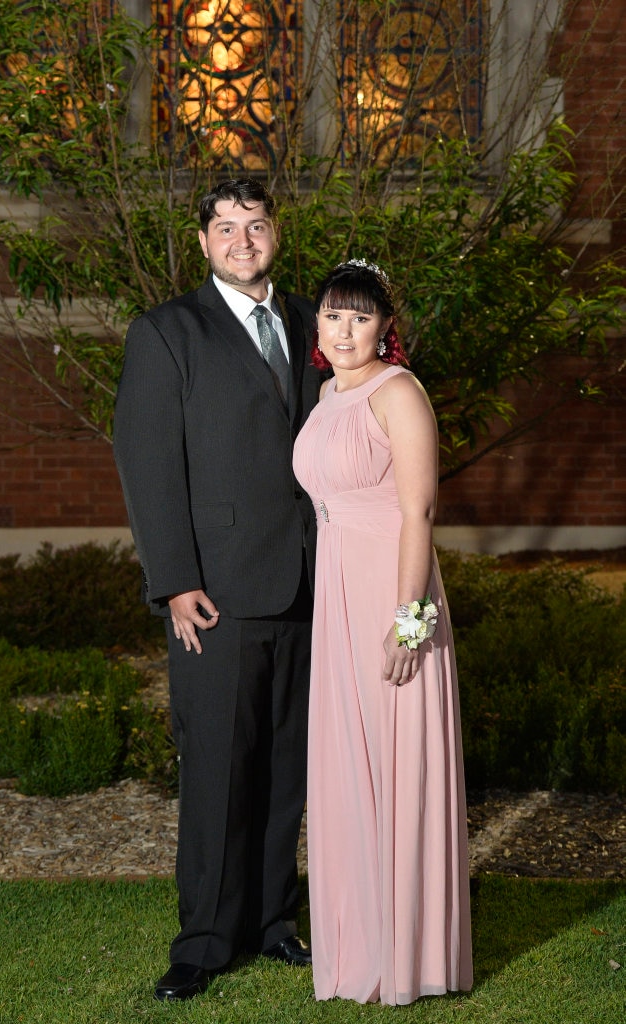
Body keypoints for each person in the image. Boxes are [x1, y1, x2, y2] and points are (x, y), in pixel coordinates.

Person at [113, 178, 321, 1001]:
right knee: (217, 774)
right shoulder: (168, 333)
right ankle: (202, 940)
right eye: (226, 228)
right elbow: (148, 463)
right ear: (202, 242)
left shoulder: (313, 323)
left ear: (276, 234)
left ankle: (273, 922)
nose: (243, 240)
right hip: (217, 594)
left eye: (256, 225)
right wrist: (173, 583)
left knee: (285, 770)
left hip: (312, 586)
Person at [292, 260, 473, 1005]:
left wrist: (410, 624)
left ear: (385, 328)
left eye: (360, 318)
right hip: (336, 597)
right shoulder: (328, 394)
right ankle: (357, 943)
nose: (344, 330)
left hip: (391, 595)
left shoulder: (399, 393)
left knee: (397, 764)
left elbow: (419, 515)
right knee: (346, 768)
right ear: (319, 326)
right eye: (333, 315)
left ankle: (412, 955)